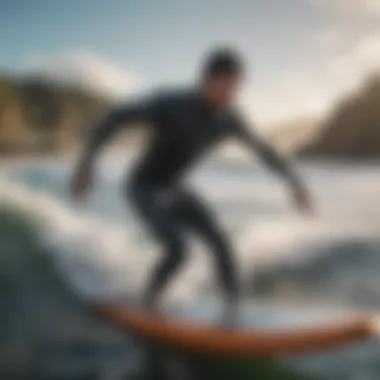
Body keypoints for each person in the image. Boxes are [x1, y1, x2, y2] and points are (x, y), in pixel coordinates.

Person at [70, 47, 314, 323]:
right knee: (178, 248)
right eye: (225, 86)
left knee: (221, 243)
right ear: (206, 80)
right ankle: (148, 303)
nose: (230, 94)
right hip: (144, 186)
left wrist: (294, 182)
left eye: (236, 87)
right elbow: (116, 117)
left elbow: (263, 150)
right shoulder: (172, 103)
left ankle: (234, 313)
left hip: (176, 188)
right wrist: (87, 162)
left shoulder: (229, 118)